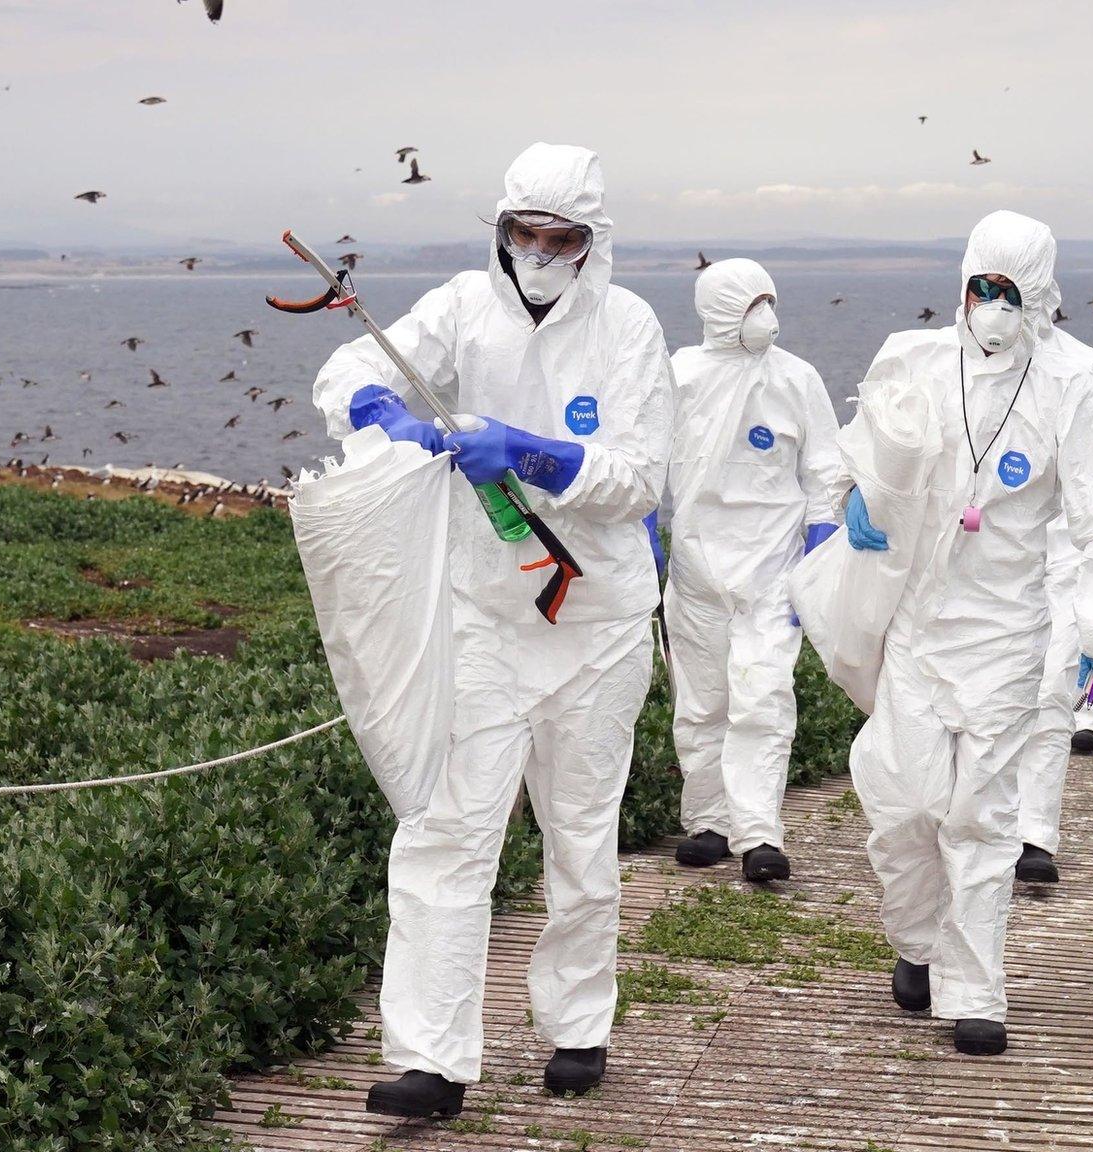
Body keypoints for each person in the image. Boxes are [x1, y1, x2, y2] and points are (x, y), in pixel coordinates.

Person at [312, 143, 673, 1118]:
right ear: (501, 231)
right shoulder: (460, 310)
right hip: (484, 619)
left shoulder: (631, 327)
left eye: (563, 237)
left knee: (580, 839)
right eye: (525, 232)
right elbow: (343, 369)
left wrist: (535, 455)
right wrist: (382, 411)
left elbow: (638, 477)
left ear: (592, 242)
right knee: (441, 831)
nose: (541, 252)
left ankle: (577, 1024)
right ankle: (430, 1057)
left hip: (594, 625)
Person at [842, 210, 1093, 1056]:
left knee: (978, 811)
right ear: (962, 286)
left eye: (1012, 293)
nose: (994, 308)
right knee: (902, 802)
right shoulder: (915, 358)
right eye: (983, 289)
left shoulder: (1074, 380)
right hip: (917, 619)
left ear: (1040, 297)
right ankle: (916, 940)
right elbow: (856, 450)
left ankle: (975, 991)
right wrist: (850, 500)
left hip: (1008, 628)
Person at [664, 258, 842, 883]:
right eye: (750, 304)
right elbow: (647, 462)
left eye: (768, 300)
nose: (765, 317)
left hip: (772, 569)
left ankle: (760, 831)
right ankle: (709, 821)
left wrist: (818, 555)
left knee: (764, 696)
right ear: (718, 310)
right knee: (703, 699)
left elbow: (825, 471)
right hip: (696, 570)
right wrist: (642, 538)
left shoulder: (796, 378)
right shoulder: (678, 377)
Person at [1013, 275, 1093, 885]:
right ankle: (968, 829)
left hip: (1059, 561)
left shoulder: (1081, 372)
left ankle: (1034, 834)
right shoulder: (946, 364)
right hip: (973, 570)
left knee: (1049, 698)